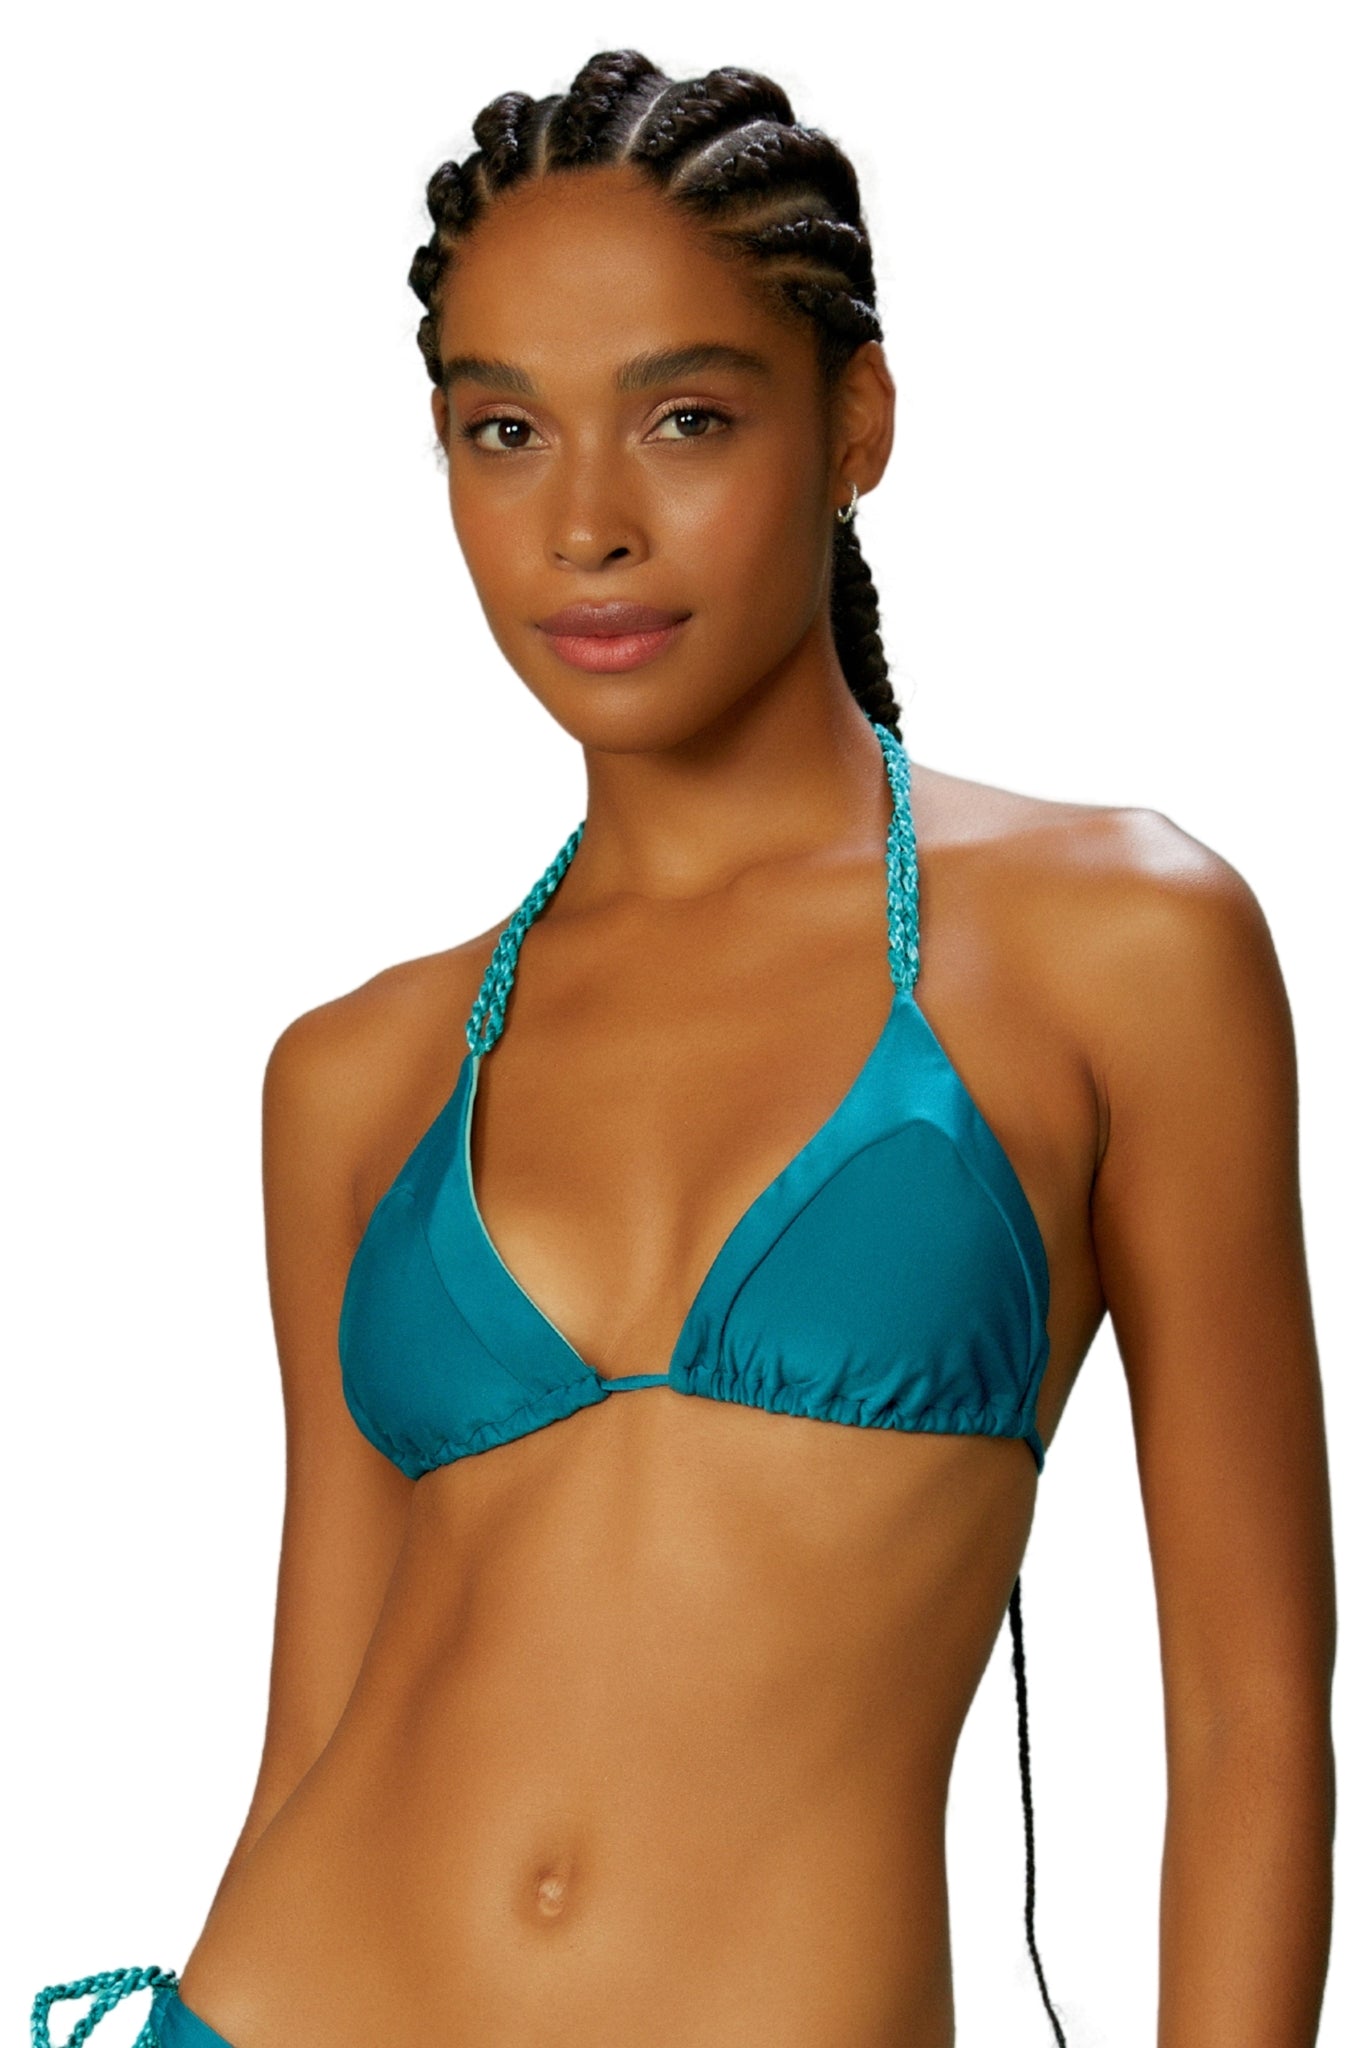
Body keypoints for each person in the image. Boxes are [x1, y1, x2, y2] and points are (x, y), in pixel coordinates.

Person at [31, 46, 1335, 2048]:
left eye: (685, 418)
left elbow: (1248, 1711)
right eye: (502, 432)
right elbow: (312, 1723)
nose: (585, 525)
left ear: (855, 422)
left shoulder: (1120, 946)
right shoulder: (356, 1074)